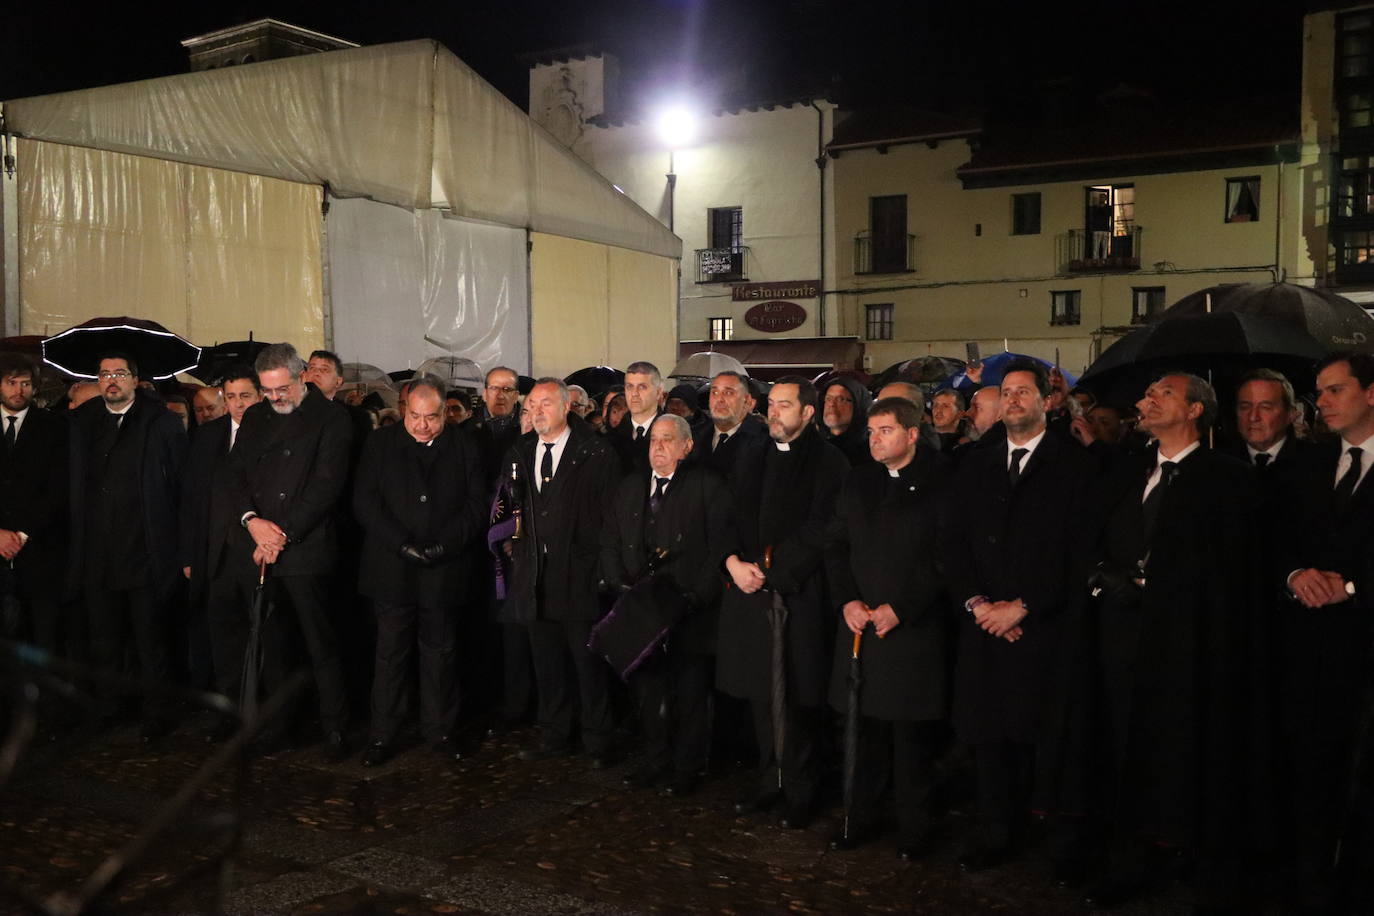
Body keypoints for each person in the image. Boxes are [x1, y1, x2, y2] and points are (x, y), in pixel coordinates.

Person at [1087, 372, 1268, 911]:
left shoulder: (1227, 479)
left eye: (1160, 394)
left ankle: (1191, 854)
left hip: (1188, 647)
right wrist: (1105, 576)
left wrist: (1165, 585)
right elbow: (1094, 535)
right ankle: (1130, 857)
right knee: (1124, 749)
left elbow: (1233, 569)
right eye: (1144, 395)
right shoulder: (1127, 467)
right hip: (1122, 640)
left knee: (1184, 752)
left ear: (1194, 410)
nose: (1144, 401)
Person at [943, 358, 1096, 876]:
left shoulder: (1074, 465)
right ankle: (995, 830)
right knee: (989, 740)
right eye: (1005, 392)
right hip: (984, 627)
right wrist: (978, 604)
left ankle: (1053, 837)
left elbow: (1080, 550)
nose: (1012, 400)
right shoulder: (976, 464)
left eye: (1023, 392)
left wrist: (1024, 605)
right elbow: (954, 544)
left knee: (1045, 738)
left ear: (1046, 401)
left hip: (1042, 627)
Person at [716, 377, 848, 828]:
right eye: (771, 405)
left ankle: (801, 787)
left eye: (784, 405)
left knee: (796, 692)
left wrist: (774, 570)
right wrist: (732, 561)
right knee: (760, 690)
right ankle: (768, 779)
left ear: (808, 413)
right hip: (750, 590)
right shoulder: (751, 455)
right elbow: (730, 515)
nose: (774, 413)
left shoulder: (830, 463)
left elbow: (824, 528)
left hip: (801, 595)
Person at [825, 396, 952, 859]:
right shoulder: (858, 481)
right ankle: (860, 817)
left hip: (912, 631)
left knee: (910, 740)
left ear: (913, 434)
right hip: (860, 625)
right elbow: (835, 546)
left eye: (886, 431)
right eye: (873, 432)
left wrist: (902, 607)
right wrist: (847, 600)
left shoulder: (941, 481)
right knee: (862, 732)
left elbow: (946, 558)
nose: (875, 440)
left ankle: (916, 828)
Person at [220, 343, 354, 761]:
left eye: (282, 389)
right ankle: (280, 727)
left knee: (321, 644)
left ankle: (336, 729)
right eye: (267, 390)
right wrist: (252, 523)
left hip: (306, 549)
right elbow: (234, 476)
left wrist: (282, 535)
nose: (275, 398)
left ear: (302, 378)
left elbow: (326, 486)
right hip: (258, 548)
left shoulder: (333, 418)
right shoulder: (256, 416)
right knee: (273, 645)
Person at [1275, 353, 1374, 910]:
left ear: (1373, 393)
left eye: (1336, 390)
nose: (1324, 403)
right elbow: (1276, 537)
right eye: (1320, 392)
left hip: (1365, 651)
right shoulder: (1307, 463)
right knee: (1310, 776)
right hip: (1307, 655)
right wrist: (1294, 574)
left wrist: (1353, 588)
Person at [354, 375, 488, 766]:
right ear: (404, 410)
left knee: (440, 653)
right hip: (392, 567)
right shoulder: (380, 443)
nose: (422, 425)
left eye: (431, 418)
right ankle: (382, 735)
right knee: (390, 653)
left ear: (445, 412)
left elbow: (477, 505)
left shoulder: (465, 446)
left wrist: (444, 545)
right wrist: (402, 544)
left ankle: (440, 731)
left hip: (445, 568)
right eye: (415, 416)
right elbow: (365, 502)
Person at [602, 414, 731, 796]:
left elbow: (720, 546)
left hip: (689, 610)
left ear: (687, 446)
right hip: (642, 610)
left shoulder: (708, 486)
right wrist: (618, 583)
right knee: (649, 690)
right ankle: (655, 760)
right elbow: (609, 538)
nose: (657, 447)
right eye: (654, 439)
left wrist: (698, 595)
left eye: (667, 439)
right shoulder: (630, 487)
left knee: (690, 693)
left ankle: (686, 767)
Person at [501, 378, 621, 766]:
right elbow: (508, 506)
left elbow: (610, 517)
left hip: (581, 574)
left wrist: (602, 570)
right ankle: (554, 732)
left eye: (545, 404)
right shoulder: (519, 451)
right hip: (535, 574)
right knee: (547, 660)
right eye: (531, 405)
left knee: (586, 663)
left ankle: (598, 739)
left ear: (567, 406)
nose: (536, 411)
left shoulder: (595, 452)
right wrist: (514, 549)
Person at [68, 352, 187, 740]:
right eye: (104, 375)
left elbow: (180, 488)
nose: (111, 380)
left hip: (145, 551)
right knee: (104, 640)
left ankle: (156, 714)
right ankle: (109, 708)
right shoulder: (83, 422)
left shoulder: (161, 423)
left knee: (150, 640)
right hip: (99, 554)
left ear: (136, 380)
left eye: (119, 374)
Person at [180, 365, 258, 701]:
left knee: (264, 636)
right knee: (223, 635)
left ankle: (265, 711)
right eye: (232, 397)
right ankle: (229, 708)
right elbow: (190, 499)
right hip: (215, 555)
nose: (238, 403)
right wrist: (188, 554)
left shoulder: (274, 434)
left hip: (258, 554)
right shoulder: (207, 436)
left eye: (245, 396)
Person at [0, 353, 69, 654]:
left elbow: (58, 488)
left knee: (42, 639)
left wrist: (21, 534)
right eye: (11, 382)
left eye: (26, 383)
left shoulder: (54, 427)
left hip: (40, 552)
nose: (19, 390)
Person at [690, 371, 766, 475]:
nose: (719, 399)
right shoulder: (693, 436)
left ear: (747, 400)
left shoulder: (766, 441)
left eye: (728, 393)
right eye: (714, 393)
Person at [608, 361, 666, 473]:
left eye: (642, 387)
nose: (634, 393)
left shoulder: (675, 437)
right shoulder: (610, 441)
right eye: (629, 387)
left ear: (658, 392)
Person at [820, 378, 873, 466]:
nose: (831, 404)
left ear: (858, 405)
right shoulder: (812, 447)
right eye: (828, 399)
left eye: (841, 399)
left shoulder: (872, 451)